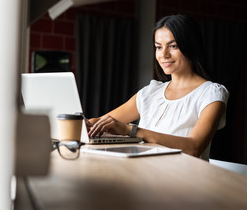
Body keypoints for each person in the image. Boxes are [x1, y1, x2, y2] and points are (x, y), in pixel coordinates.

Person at [86, 14, 229, 161]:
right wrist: (86, 124)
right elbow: (104, 120)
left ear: (190, 45)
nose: (164, 54)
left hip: (183, 179)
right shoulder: (151, 92)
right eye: (158, 47)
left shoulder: (212, 94)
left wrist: (131, 131)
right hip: (143, 174)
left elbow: (193, 147)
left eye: (173, 46)